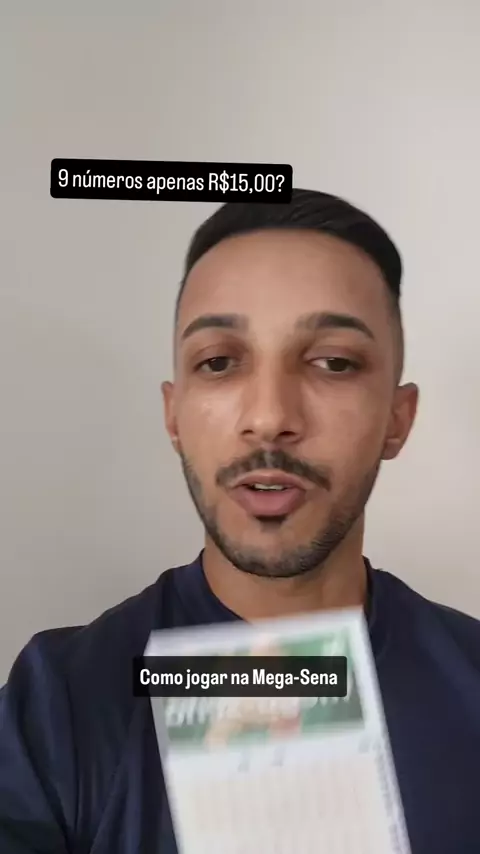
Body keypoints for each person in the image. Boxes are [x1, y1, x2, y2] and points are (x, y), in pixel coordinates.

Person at [1, 189, 479, 854]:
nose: (269, 416)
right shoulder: (56, 708)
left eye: (334, 362)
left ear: (397, 420)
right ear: (173, 416)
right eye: (219, 362)